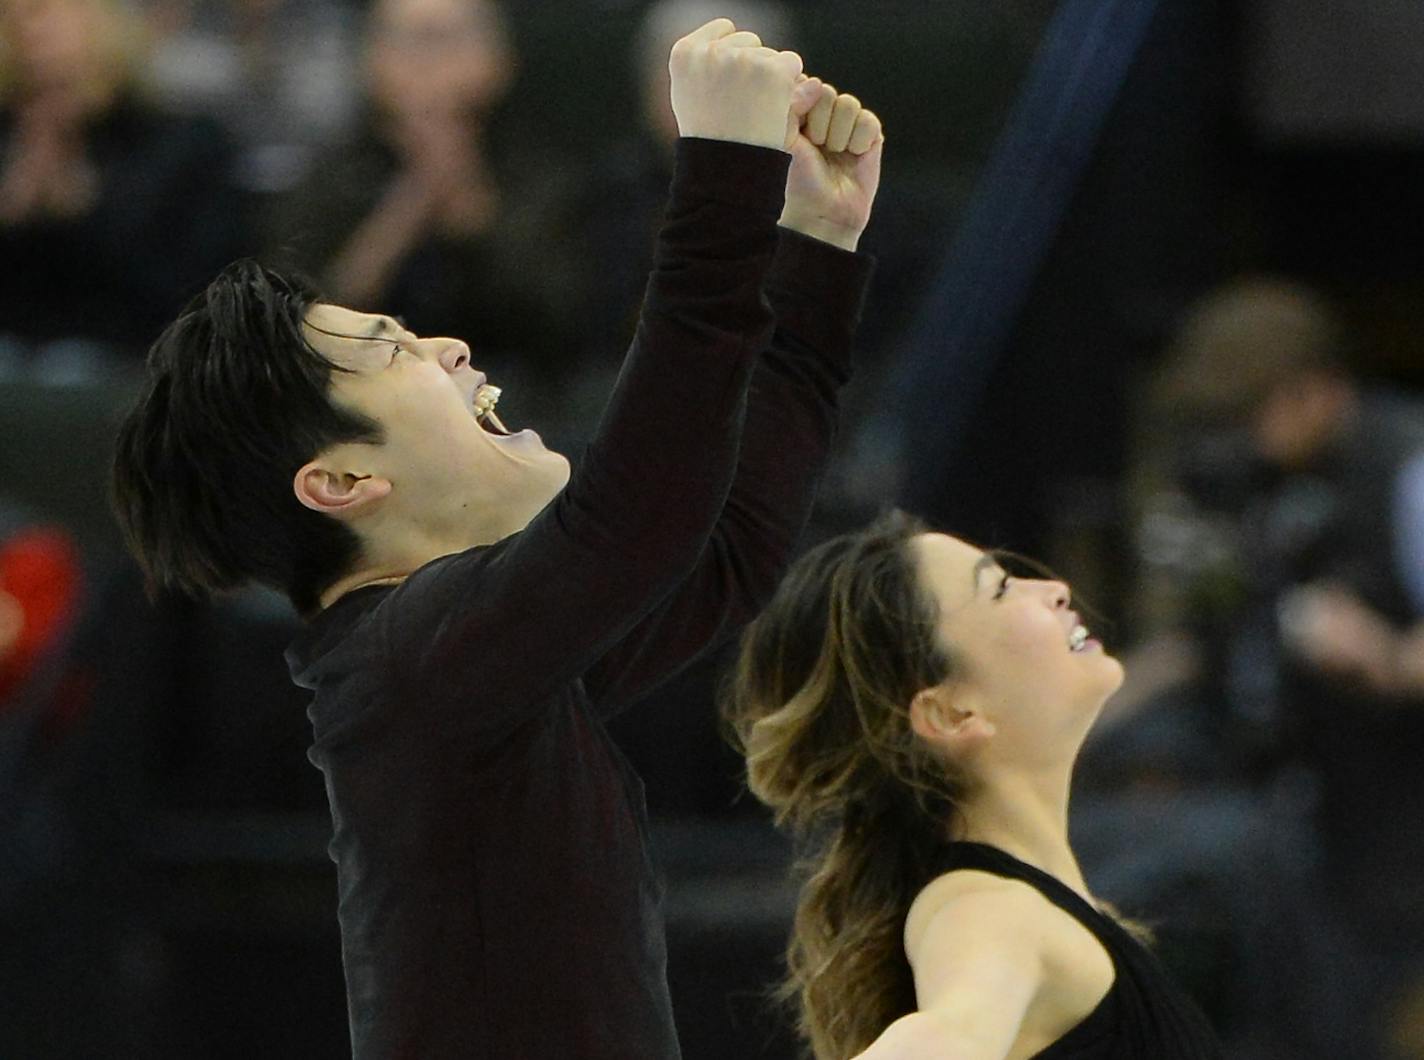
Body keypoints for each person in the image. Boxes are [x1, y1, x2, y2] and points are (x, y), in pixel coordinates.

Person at [111, 17, 884, 1058]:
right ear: (342, 480)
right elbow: (637, 519)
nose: (448, 343)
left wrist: (814, 245)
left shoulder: (464, 665)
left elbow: (725, 551)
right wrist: (721, 173)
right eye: (393, 346)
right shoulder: (415, 663)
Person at [723, 511, 1221, 1059]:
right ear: (951, 712)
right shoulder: (991, 912)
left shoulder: (1030, 909)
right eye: (1001, 588)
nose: (1054, 588)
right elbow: (946, 1037)